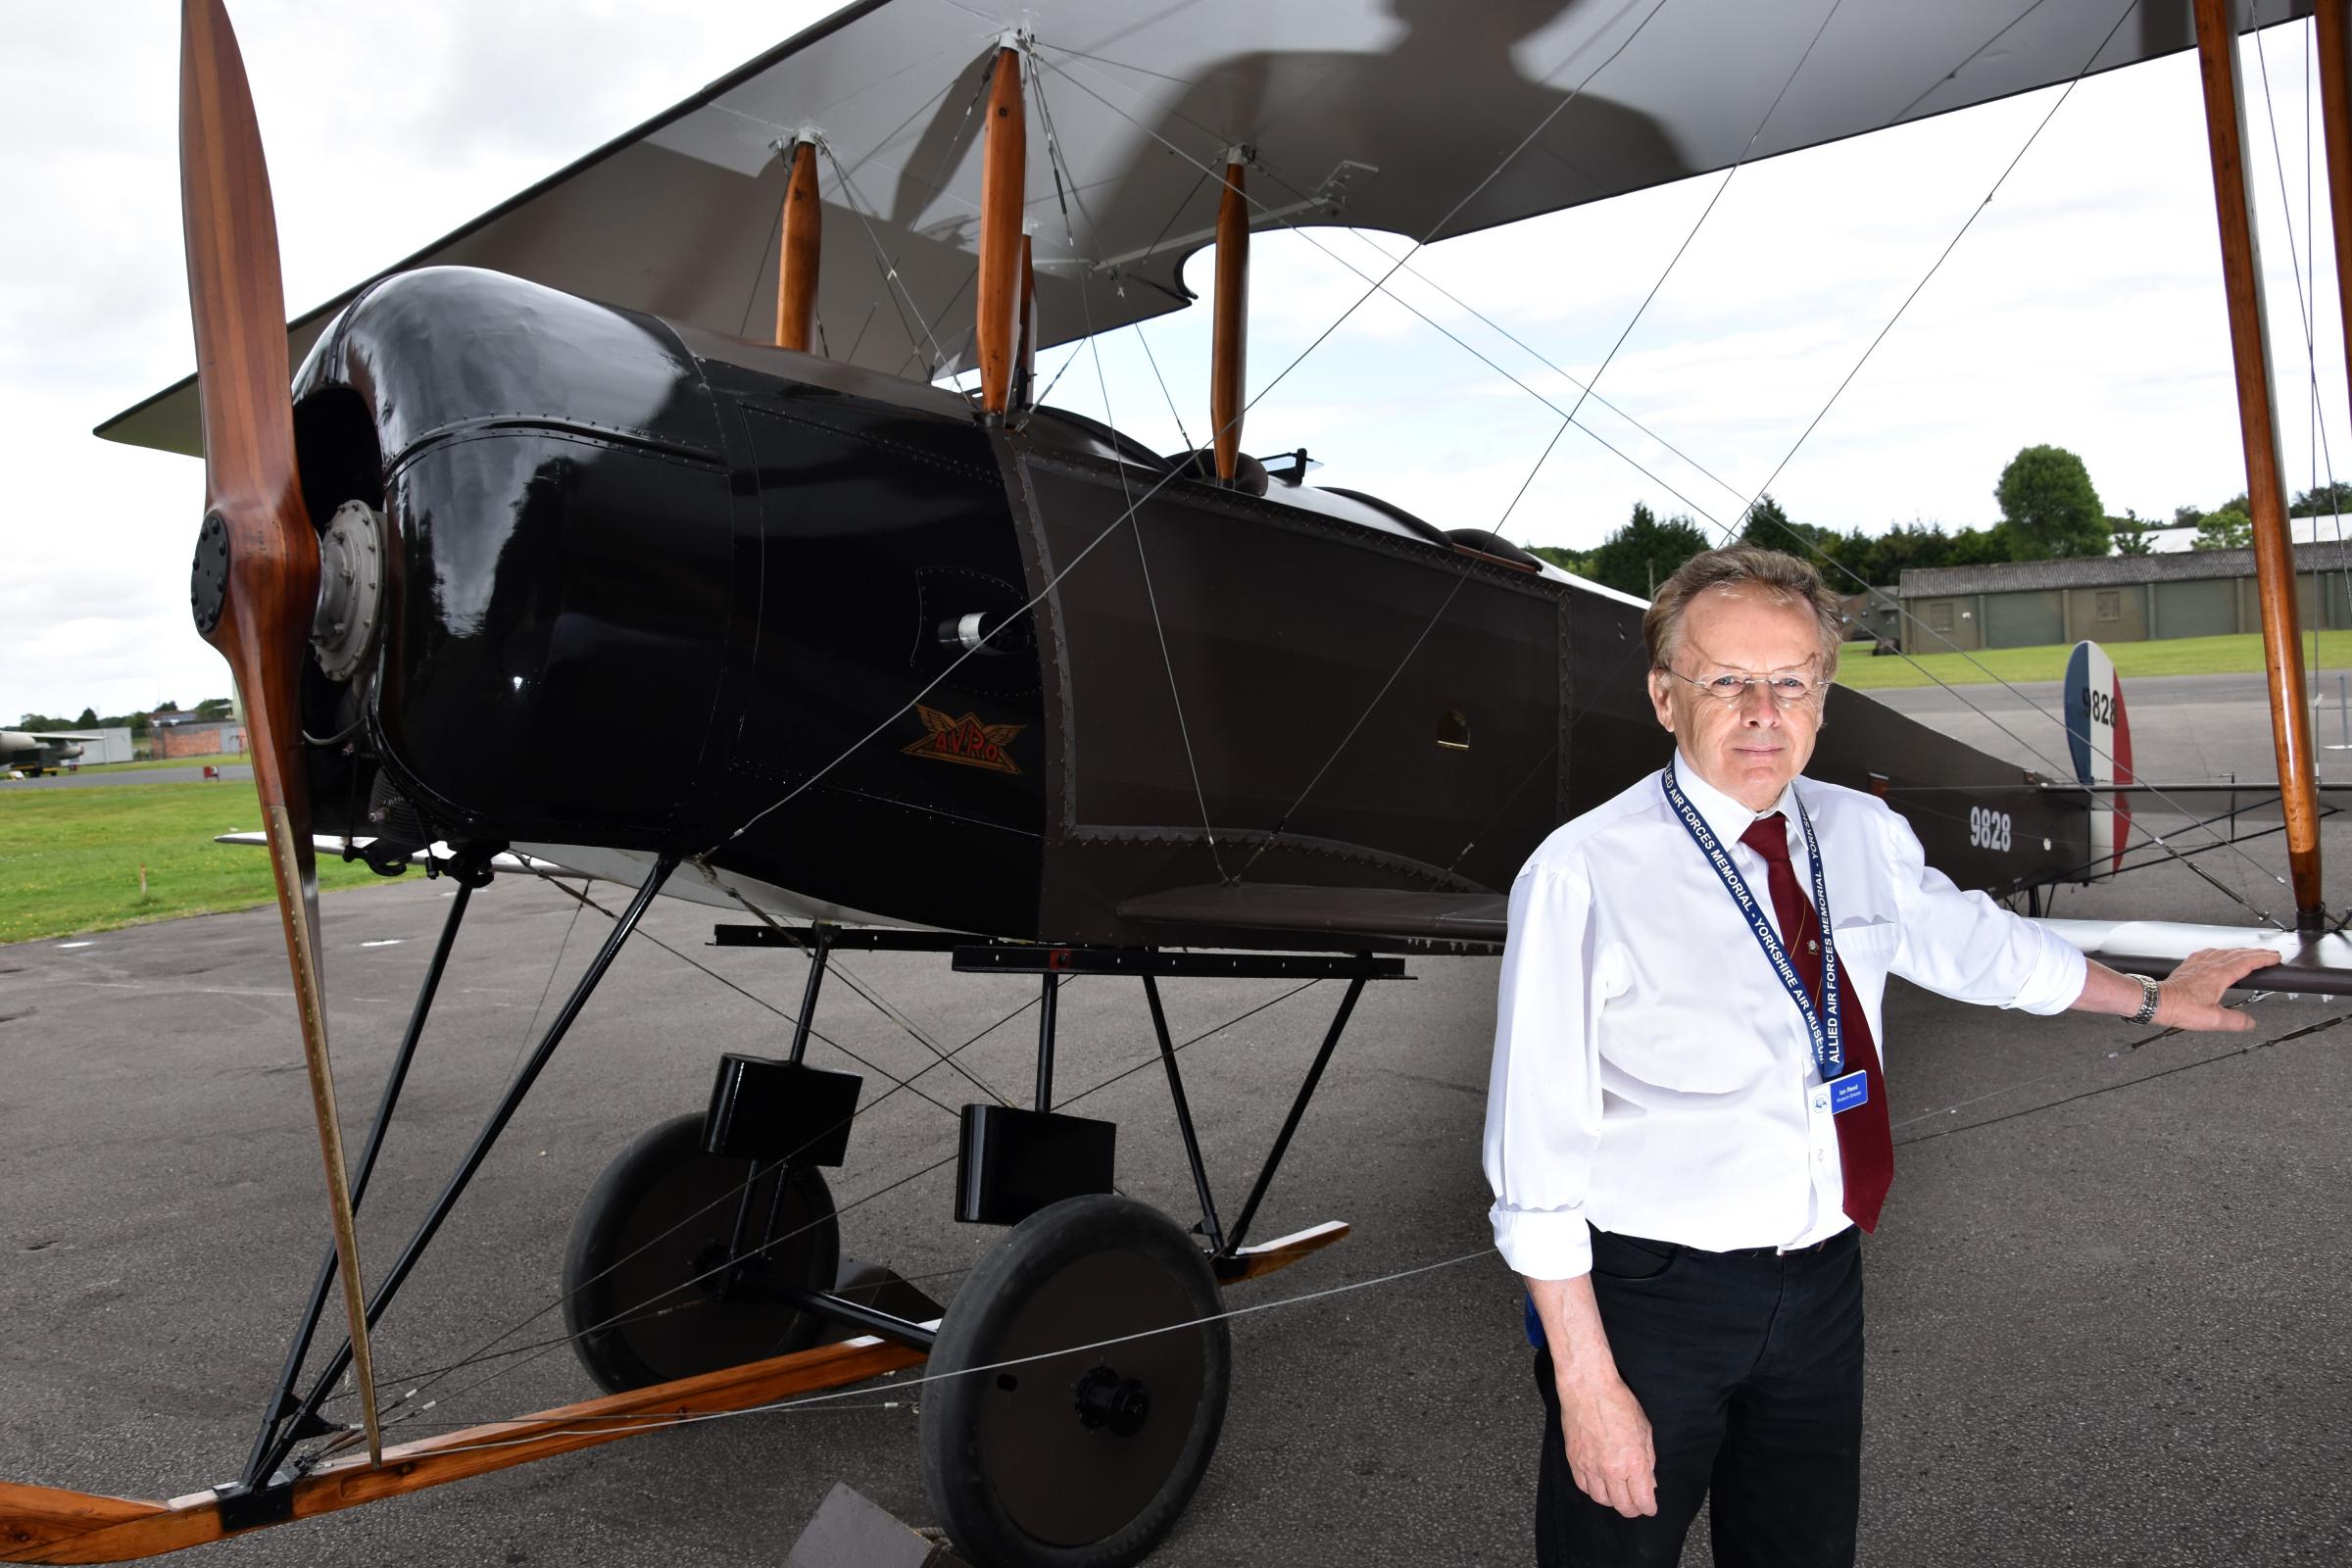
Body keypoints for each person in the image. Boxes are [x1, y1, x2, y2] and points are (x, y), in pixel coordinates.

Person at [1481, 546, 2276, 1568]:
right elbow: (1535, 1162)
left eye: (1792, 680)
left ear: (1822, 693)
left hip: (1821, 1288)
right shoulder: (1581, 873)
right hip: (1651, 1301)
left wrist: (2157, 996)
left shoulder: (1856, 830)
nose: (1763, 710)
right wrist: (1588, 1385)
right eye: (1726, 680)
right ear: (1664, 697)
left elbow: (1979, 949)